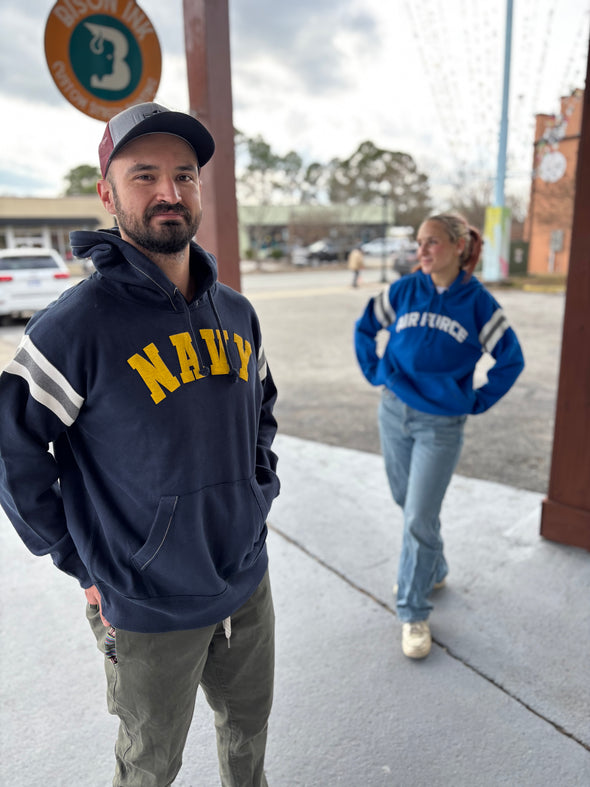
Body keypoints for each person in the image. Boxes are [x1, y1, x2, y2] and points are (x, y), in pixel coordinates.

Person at [0, 102, 280, 786]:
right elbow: (13, 451)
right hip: (146, 600)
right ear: (106, 191)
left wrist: (256, 495)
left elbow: (262, 412)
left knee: (248, 732)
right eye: (144, 175)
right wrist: (79, 560)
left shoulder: (236, 311)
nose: (168, 192)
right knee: (151, 763)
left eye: (184, 176)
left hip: (244, 577)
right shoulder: (76, 327)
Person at [354, 213, 524, 660]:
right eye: (419, 243)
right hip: (394, 414)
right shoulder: (406, 290)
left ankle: (413, 611)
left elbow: (511, 359)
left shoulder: (478, 303)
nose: (422, 250)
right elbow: (366, 327)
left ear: (458, 246)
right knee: (406, 501)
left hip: (440, 426)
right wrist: (377, 374)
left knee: (417, 518)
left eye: (431, 243)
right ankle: (436, 565)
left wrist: (476, 400)